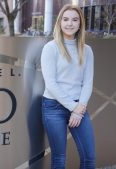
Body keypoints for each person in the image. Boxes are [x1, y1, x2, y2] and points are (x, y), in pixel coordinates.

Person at [41, 4, 95, 169]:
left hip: (79, 105)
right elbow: (50, 84)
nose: (69, 23)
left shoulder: (87, 50)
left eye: (74, 19)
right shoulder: (51, 48)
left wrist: (79, 109)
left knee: (89, 158)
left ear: (80, 23)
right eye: (65, 19)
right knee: (59, 158)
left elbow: (87, 82)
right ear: (59, 22)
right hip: (54, 107)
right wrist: (75, 109)